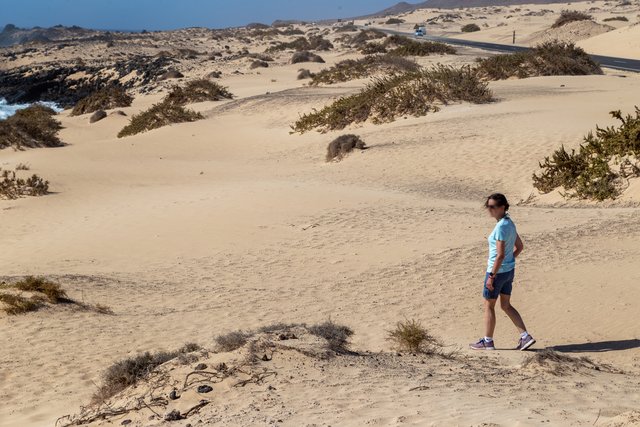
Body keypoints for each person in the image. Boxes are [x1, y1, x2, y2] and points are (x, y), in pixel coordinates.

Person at [470, 193, 535, 351]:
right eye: (488, 206)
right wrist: (509, 260)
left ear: (502, 207)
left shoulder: (500, 227)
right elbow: (519, 247)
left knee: (489, 306)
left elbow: (499, 255)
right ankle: (525, 336)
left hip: (497, 272)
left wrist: (492, 276)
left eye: (493, 207)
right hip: (508, 271)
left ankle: (487, 341)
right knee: (505, 305)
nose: (489, 210)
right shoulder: (509, 223)